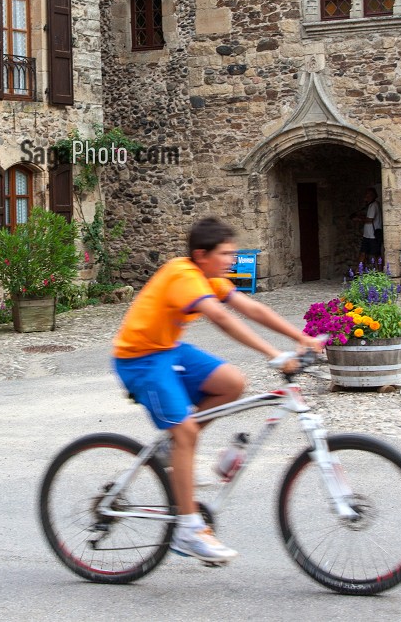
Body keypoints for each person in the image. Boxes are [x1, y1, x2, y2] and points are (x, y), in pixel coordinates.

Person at [112, 217, 322, 564]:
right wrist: (273, 355)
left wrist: (301, 337)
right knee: (187, 433)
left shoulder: (209, 276)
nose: (231, 260)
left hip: (167, 351)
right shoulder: (183, 275)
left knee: (232, 383)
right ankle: (189, 528)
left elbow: (249, 307)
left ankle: (173, 444)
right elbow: (221, 318)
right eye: (225, 254)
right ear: (201, 254)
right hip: (139, 361)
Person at [351, 187, 382, 266]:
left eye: (367, 195)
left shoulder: (374, 205)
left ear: (371, 196)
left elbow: (370, 219)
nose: (365, 197)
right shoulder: (370, 205)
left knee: (376, 255)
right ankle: (357, 273)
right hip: (367, 235)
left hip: (373, 235)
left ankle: (380, 271)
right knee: (363, 253)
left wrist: (358, 219)